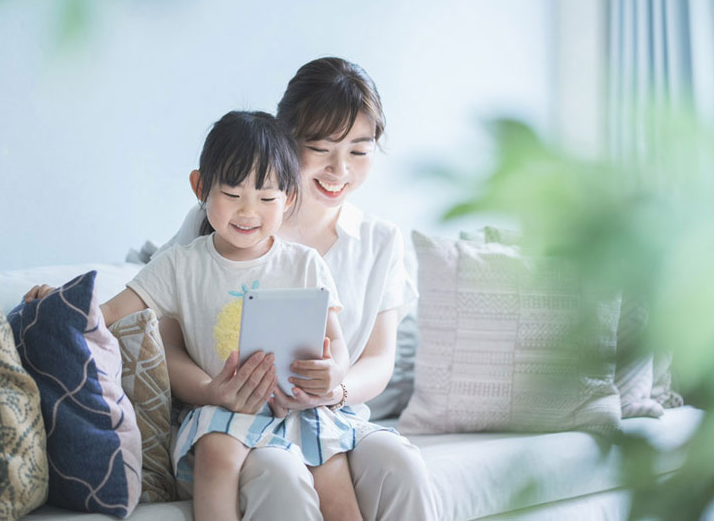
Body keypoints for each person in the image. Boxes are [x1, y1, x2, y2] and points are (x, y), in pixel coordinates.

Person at [26, 110, 380, 521]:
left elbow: (335, 341)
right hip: (222, 407)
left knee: (333, 473)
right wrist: (60, 300)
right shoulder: (180, 265)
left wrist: (334, 373)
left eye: (266, 198)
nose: (248, 212)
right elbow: (109, 312)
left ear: (289, 199)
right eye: (232, 195)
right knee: (215, 452)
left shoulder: (305, 264)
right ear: (200, 187)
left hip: (299, 406)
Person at [158, 57, 437, 520]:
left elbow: (380, 359)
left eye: (359, 151)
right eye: (321, 147)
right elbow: (158, 324)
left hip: (333, 416)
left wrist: (336, 388)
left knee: (401, 465)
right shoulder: (227, 221)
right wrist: (214, 390)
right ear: (286, 140)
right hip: (237, 422)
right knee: (282, 475)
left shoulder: (380, 240)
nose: (339, 169)